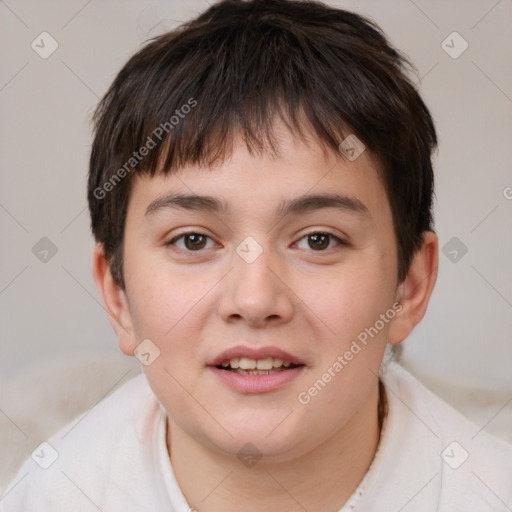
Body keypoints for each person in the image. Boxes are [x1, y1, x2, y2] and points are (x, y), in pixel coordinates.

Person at [2, 0, 511, 510]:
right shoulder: (48, 495)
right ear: (118, 295)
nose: (254, 299)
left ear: (409, 286)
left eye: (318, 240)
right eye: (193, 240)